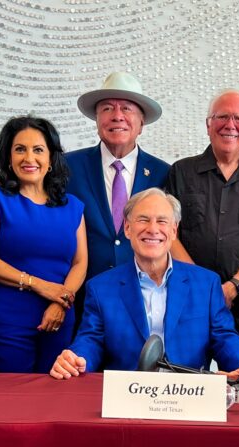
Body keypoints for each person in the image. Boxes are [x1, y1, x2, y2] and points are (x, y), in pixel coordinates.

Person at [50, 189, 239, 379]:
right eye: (143, 220)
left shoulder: (206, 284)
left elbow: (224, 336)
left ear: (173, 231)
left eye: (162, 221)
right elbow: (91, 340)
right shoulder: (100, 288)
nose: (153, 229)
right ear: (127, 228)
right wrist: (76, 359)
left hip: (189, 397)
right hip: (127, 399)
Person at [166, 90, 239, 369]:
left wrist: (233, 287)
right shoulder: (181, 172)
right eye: (221, 116)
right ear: (208, 124)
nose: (230, 124)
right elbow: (170, 234)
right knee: (187, 390)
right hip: (190, 302)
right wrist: (203, 286)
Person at [0, 116, 87, 373]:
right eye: (20, 149)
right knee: (14, 399)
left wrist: (59, 303)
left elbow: (80, 263)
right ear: (8, 157)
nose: (29, 158)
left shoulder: (73, 206)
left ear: (51, 158)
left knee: (57, 396)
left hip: (59, 317)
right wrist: (41, 287)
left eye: (38, 150)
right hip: (6, 318)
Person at [66, 72, 170, 303]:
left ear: (141, 123)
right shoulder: (67, 167)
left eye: (126, 109)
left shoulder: (164, 174)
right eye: (107, 109)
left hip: (144, 299)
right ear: (96, 120)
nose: (117, 116)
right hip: (81, 298)